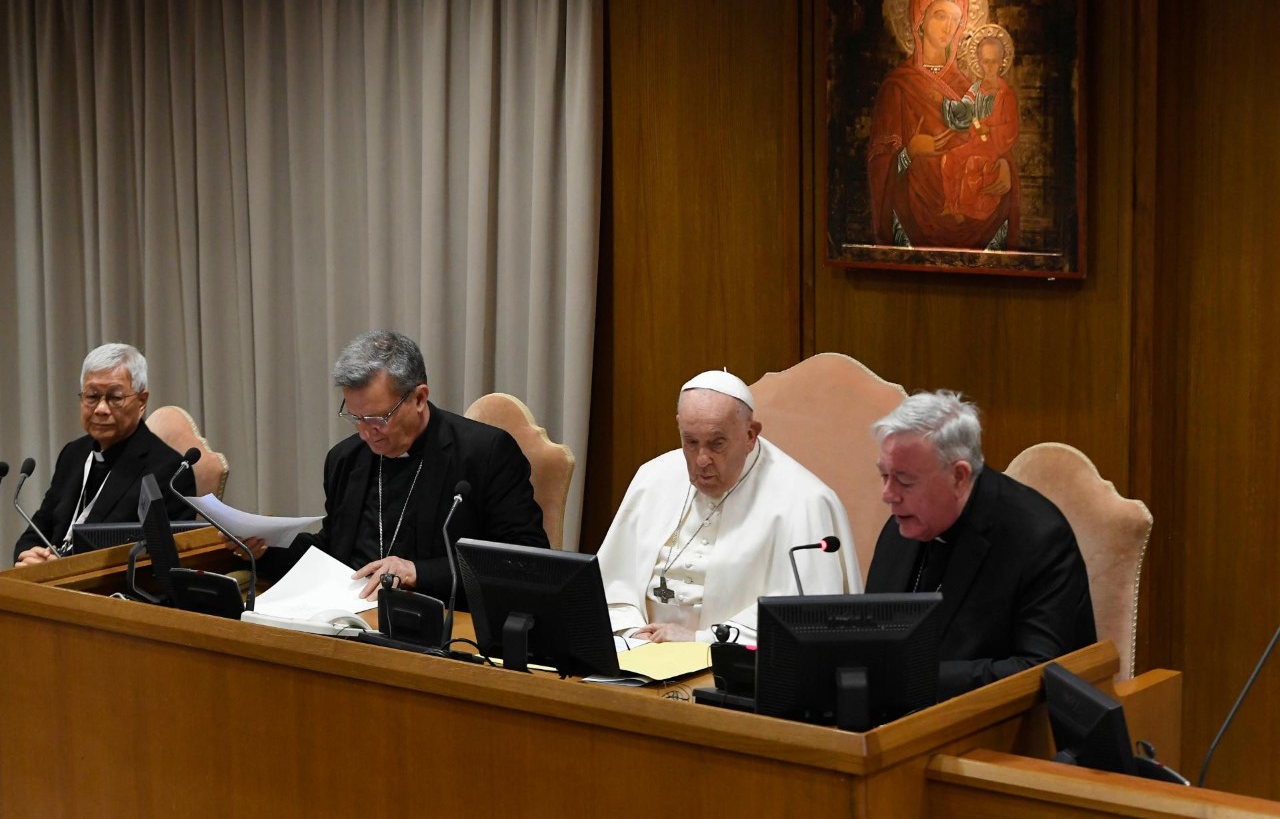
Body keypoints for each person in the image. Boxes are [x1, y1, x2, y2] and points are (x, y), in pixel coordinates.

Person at [245, 330, 548, 602]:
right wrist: (263, 550)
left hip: (441, 619)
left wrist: (418, 572)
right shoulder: (345, 459)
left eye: (378, 418)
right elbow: (332, 550)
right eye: (356, 418)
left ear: (419, 398)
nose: (366, 433)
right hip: (348, 617)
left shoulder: (485, 452)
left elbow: (524, 561)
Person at [595, 370, 860, 645]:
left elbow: (805, 615)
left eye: (716, 443)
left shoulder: (805, 501)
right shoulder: (653, 477)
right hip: (641, 650)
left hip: (735, 662)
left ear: (750, 435)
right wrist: (631, 630)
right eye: (691, 442)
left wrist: (701, 640)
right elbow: (611, 587)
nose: (701, 460)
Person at [864, 390, 1095, 700]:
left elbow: (1040, 671)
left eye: (905, 481)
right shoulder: (903, 525)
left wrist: (914, 678)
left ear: (959, 476)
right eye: (884, 475)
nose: (888, 494)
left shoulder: (1038, 539)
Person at [867, 0, 1019, 250]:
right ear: (920, 18)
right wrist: (910, 152)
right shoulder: (898, 87)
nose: (948, 27)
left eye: (955, 19)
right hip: (914, 215)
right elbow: (879, 166)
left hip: (974, 209)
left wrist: (1005, 168)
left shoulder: (970, 87)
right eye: (940, 16)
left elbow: (990, 140)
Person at [13, 343, 196, 565]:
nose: (101, 409)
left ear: (141, 402)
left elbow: (161, 562)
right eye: (92, 396)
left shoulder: (169, 470)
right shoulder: (73, 453)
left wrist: (67, 568)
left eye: (115, 398)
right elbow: (39, 527)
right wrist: (28, 554)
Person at [940, 34, 1020, 224]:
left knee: (972, 164)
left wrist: (990, 130)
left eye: (994, 62)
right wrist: (945, 101)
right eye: (985, 62)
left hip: (994, 147)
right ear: (979, 62)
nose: (989, 67)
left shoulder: (1005, 94)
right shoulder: (976, 89)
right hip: (975, 143)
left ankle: (970, 210)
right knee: (948, 159)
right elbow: (964, 111)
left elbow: (1011, 128)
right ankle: (952, 206)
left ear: (1001, 62)